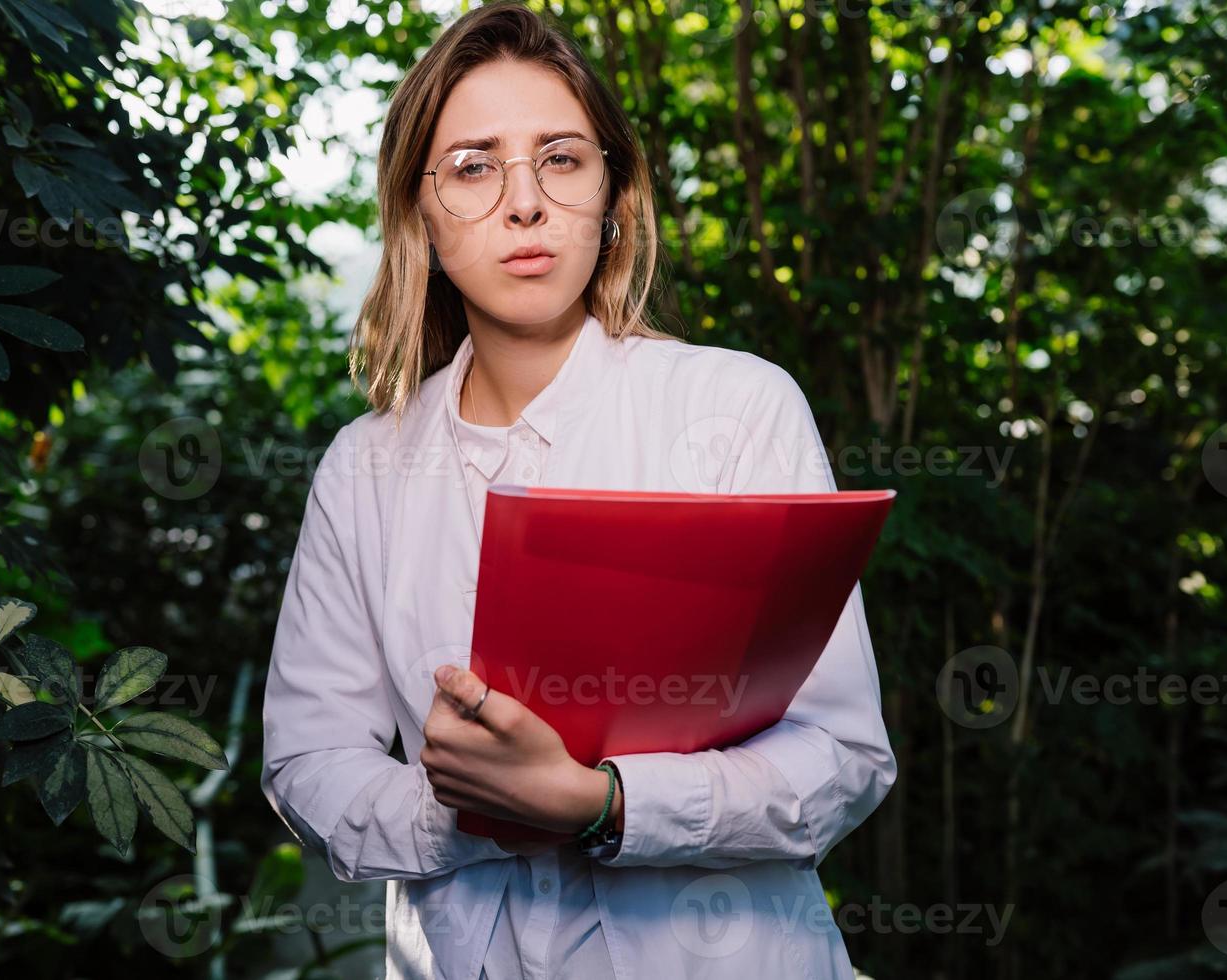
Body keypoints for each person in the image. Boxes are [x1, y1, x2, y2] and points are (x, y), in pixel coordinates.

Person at [260, 4, 896, 978]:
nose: (524, 203)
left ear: (612, 194)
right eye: (474, 166)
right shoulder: (364, 466)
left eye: (560, 158)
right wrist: (473, 808)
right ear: (419, 213)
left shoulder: (737, 409)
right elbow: (307, 766)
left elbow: (846, 757)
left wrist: (604, 802)